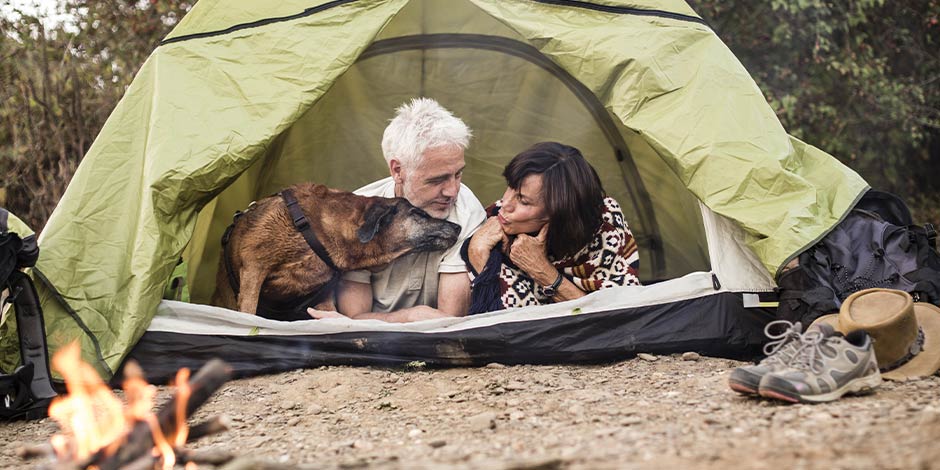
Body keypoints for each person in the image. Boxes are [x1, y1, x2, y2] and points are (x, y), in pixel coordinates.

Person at [307, 98, 486, 322]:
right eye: (437, 180)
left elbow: (448, 321)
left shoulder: (466, 210)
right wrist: (412, 316)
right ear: (398, 170)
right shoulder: (360, 215)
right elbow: (354, 317)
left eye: (458, 174)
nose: (452, 191)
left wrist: (380, 321)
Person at [461, 141, 641, 314]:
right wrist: (477, 252)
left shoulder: (605, 226)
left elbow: (616, 321)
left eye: (523, 201)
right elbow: (513, 326)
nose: (505, 204)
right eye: (510, 187)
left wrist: (542, 271)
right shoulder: (492, 228)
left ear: (558, 213)